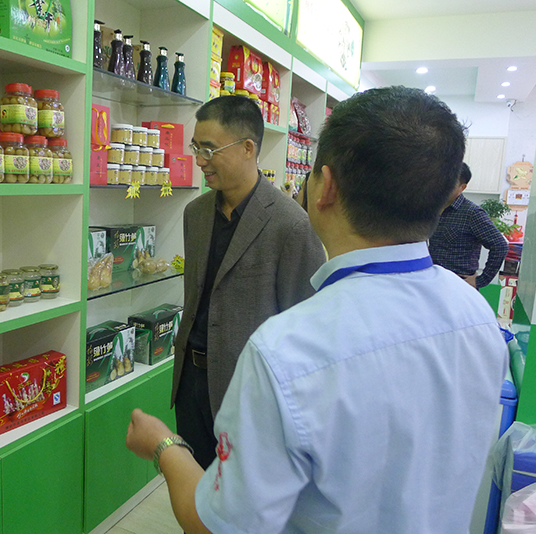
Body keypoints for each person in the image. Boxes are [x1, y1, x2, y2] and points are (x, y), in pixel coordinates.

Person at [127, 86, 509, 533]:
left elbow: (220, 525)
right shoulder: (478, 318)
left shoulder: (288, 351)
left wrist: (163, 446)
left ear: (326, 186)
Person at [173, 95, 326, 469]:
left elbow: (303, 328)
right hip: (190, 380)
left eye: (209, 149)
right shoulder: (195, 214)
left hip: (249, 390)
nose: (200, 160)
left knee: (239, 494)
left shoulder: (292, 225)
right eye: (196, 148)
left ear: (247, 148)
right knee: (194, 483)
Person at [428, 162, 509, 288]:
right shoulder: (433, 208)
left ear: (462, 187)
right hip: (434, 281)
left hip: (459, 284)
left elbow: (500, 246)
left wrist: (481, 280)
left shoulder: (472, 213)